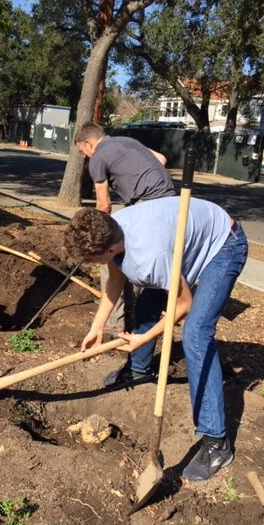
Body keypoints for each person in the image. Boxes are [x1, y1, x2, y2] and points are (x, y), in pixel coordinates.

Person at [65, 198, 248, 481]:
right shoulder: (114, 231)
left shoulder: (150, 255)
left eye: (91, 260)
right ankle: (139, 371)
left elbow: (183, 304)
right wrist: (96, 327)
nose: (90, 265)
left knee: (195, 335)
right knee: (148, 302)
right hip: (177, 244)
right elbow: (115, 281)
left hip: (223, 246)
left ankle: (217, 442)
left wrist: (144, 337)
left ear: (110, 249)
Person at [74, 121, 175, 387]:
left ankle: (117, 325)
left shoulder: (98, 157)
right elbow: (162, 159)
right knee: (142, 278)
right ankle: (133, 324)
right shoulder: (128, 141)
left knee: (110, 261)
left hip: (148, 210)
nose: (86, 157)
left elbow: (103, 206)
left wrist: (92, 237)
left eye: (83, 153)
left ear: (88, 143)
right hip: (171, 205)